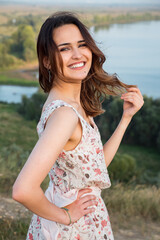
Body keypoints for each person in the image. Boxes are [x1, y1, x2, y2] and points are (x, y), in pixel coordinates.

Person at [12, 11, 144, 240]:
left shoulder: (71, 104)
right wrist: (66, 216)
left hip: (83, 220)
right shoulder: (65, 114)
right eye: (64, 48)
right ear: (46, 61)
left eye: (81, 45)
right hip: (73, 229)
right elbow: (22, 190)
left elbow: (94, 166)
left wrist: (126, 119)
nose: (78, 55)